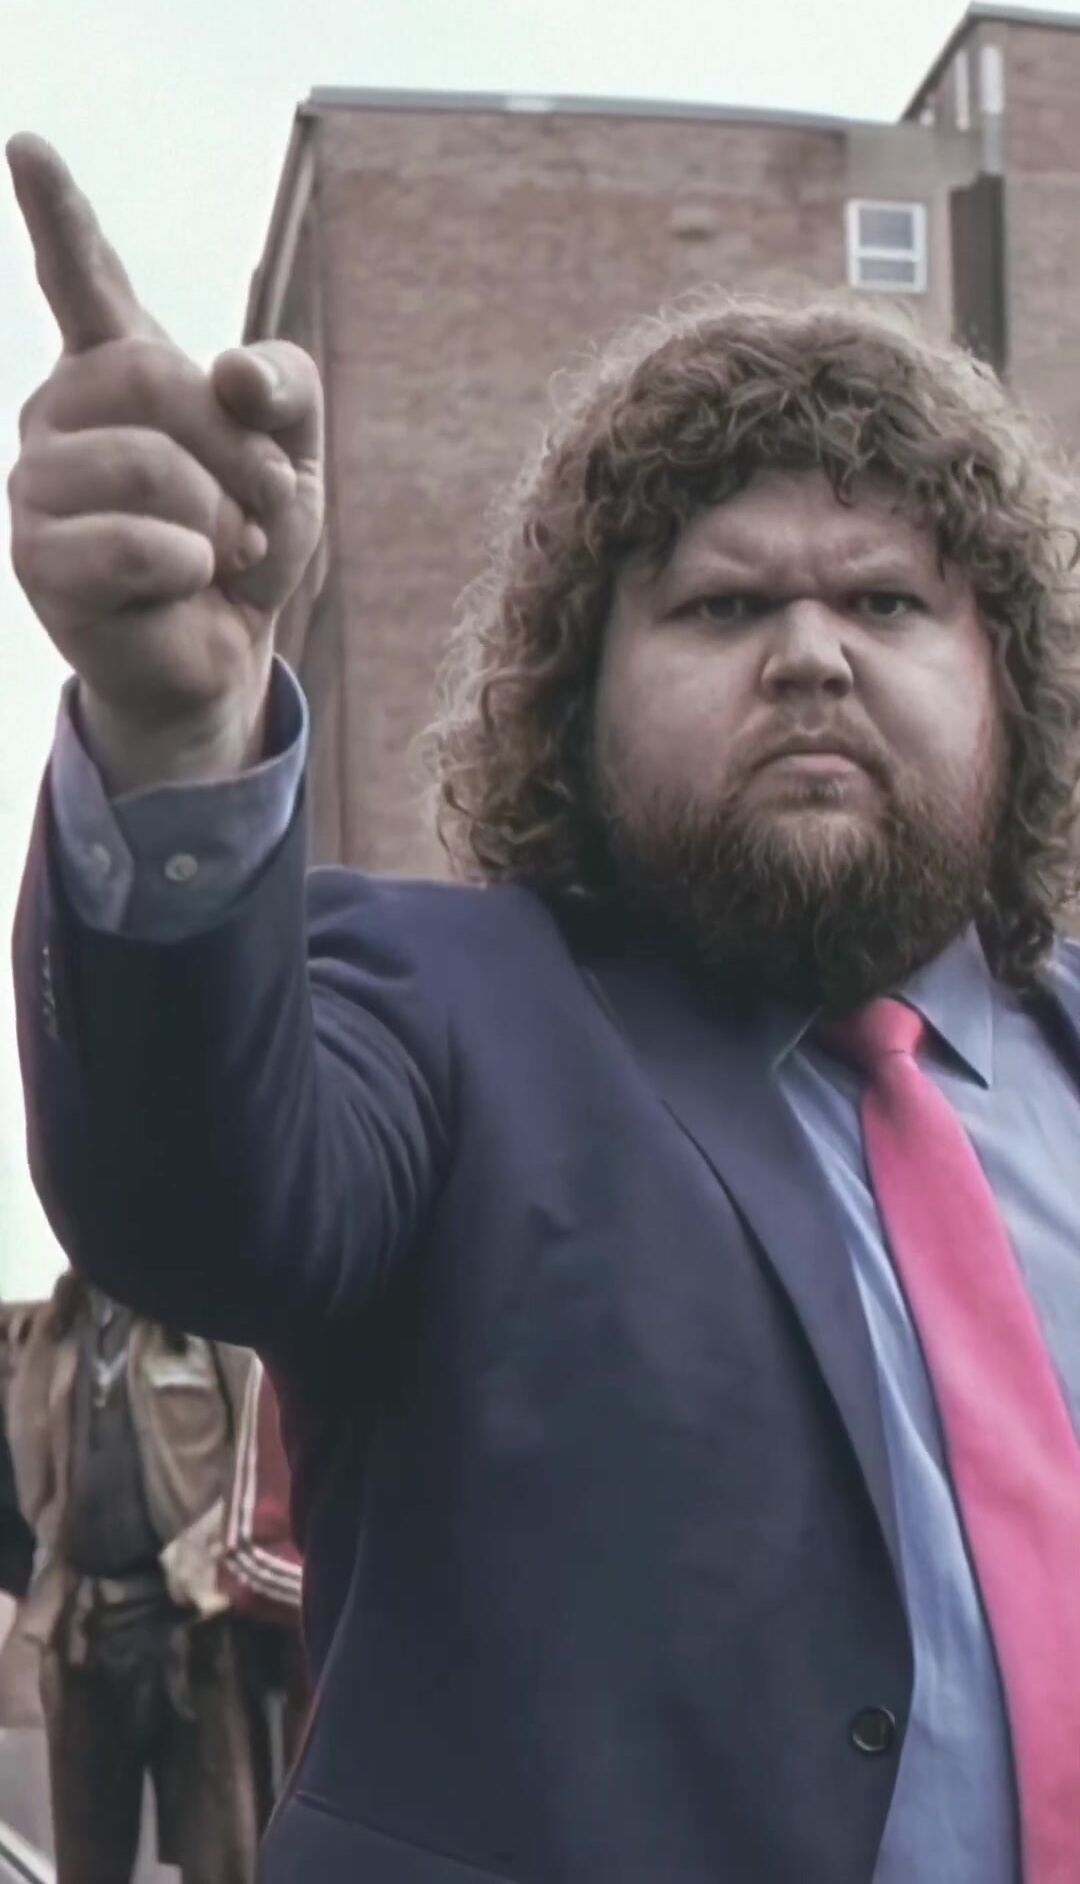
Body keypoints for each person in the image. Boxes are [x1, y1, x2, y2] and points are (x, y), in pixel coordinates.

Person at [4, 130, 1079, 1884]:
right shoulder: (442, 1011)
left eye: (888, 599)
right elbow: (192, 1187)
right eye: (724, 604)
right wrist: (178, 737)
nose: (811, 652)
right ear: (575, 705)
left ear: (1013, 688)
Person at [5, 1272, 262, 1884]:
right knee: (87, 1863)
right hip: (87, 1632)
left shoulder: (205, 1313)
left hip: (192, 1633)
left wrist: (204, 1560)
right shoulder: (61, 1323)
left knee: (218, 1861)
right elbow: (31, 1444)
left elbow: (256, 1455)